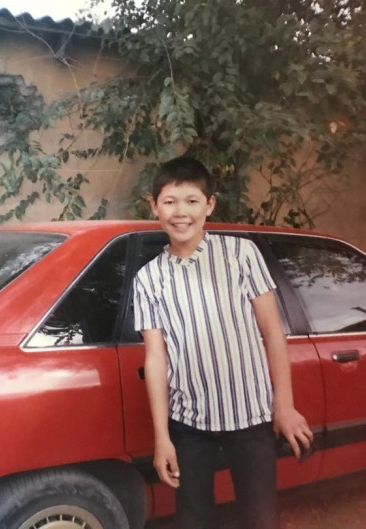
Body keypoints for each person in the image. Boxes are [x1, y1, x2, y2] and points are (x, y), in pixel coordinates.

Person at [133, 156, 313, 529]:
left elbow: (272, 332)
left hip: (251, 416)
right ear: (154, 207)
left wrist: (284, 406)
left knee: (260, 517)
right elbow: (156, 359)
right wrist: (162, 438)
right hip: (189, 422)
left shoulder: (240, 255)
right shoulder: (148, 279)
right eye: (169, 202)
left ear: (210, 205)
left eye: (192, 201)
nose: (181, 212)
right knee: (193, 519)